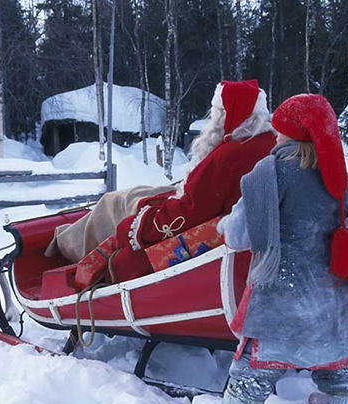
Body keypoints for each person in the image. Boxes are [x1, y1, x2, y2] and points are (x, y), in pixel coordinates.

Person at [213, 94, 348, 404]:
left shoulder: (267, 174)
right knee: (343, 380)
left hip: (279, 305)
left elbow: (238, 237)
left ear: (287, 133)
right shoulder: (338, 178)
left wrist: (225, 224)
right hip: (332, 307)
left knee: (250, 380)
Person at [108, 80, 277, 282]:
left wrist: (137, 227)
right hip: (250, 238)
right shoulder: (270, 142)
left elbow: (190, 210)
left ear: (226, 114)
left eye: (216, 112)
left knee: (123, 250)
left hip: (217, 246)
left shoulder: (230, 155)